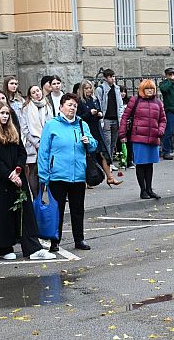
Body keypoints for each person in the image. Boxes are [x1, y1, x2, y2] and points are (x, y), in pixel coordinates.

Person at [0, 102, 56, 261]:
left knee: (25, 212)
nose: (5, 116)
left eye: (7, 113)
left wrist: (18, 170)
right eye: (2, 113)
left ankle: (33, 248)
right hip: (0, 181)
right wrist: (9, 175)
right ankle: (4, 247)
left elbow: (22, 153)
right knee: (3, 214)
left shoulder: (12, 131)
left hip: (18, 177)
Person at [38, 93, 97, 252]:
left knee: (78, 210)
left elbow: (93, 145)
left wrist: (89, 142)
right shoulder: (52, 125)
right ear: (61, 107)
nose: (72, 108)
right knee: (57, 210)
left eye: (75, 106)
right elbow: (43, 151)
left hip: (78, 175)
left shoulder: (82, 125)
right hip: (57, 174)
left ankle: (79, 239)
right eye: (69, 105)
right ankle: (54, 241)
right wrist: (44, 175)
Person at [119, 80, 167, 200]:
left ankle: (149, 189)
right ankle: (143, 190)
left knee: (149, 164)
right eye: (147, 88)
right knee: (141, 164)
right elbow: (125, 117)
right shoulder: (135, 100)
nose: (150, 90)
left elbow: (163, 119)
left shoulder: (158, 103)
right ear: (142, 89)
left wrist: (160, 130)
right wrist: (122, 134)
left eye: (152, 88)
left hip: (153, 137)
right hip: (139, 137)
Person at [77, 80, 122, 187]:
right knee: (89, 156)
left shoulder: (94, 99)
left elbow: (99, 110)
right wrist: (89, 113)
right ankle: (88, 178)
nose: (89, 90)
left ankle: (110, 177)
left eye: (90, 88)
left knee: (104, 154)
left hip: (97, 130)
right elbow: (79, 117)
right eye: (86, 88)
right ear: (82, 89)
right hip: (87, 130)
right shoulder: (80, 102)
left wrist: (100, 114)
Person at [20, 85, 54, 199]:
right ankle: (36, 198)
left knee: (43, 169)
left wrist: (45, 142)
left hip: (46, 142)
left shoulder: (47, 105)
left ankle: (41, 195)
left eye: (38, 91)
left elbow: (51, 124)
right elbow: (24, 128)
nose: (37, 93)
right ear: (30, 95)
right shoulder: (26, 108)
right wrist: (36, 142)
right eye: (33, 92)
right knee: (34, 170)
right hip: (32, 143)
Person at [95, 69, 123, 171]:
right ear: (106, 78)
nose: (113, 79)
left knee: (113, 143)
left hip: (115, 119)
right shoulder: (101, 89)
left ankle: (110, 162)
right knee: (107, 141)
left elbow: (120, 104)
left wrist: (121, 117)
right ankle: (107, 163)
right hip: (106, 119)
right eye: (110, 77)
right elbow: (99, 103)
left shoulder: (117, 88)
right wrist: (101, 118)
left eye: (114, 76)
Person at [117, 85, 134, 169]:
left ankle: (130, 160)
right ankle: (122, 161)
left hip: (128, 124)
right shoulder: (116, 101)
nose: (123, 94)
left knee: (129, 143)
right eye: (121, 91)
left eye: (124, 92)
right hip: (119, 125)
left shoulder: (129, 101)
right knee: (119, 144)